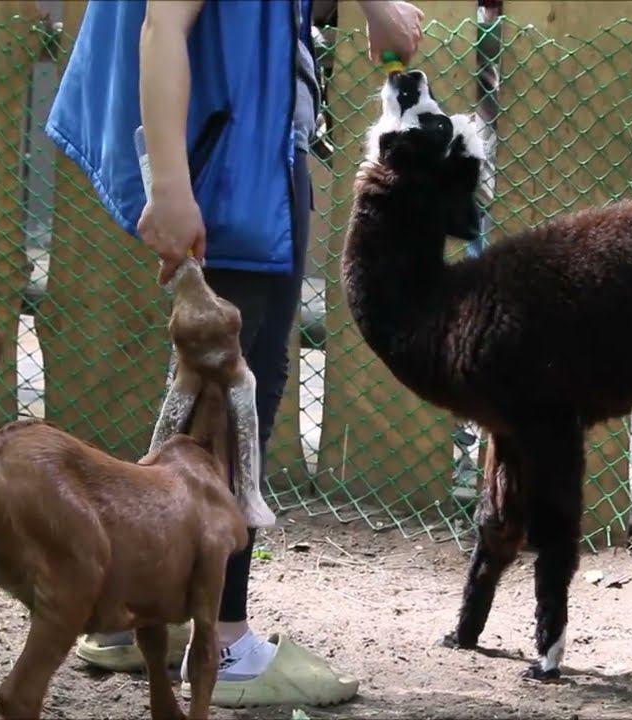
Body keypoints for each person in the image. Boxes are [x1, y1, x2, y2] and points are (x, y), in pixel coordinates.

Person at [44, 0, 425, 708]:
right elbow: (163, 26)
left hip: (243, 153)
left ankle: (137, 614)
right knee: (234, 408)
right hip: (233, 168)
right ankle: (222, 641)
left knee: (204, 403)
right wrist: (169, 186)